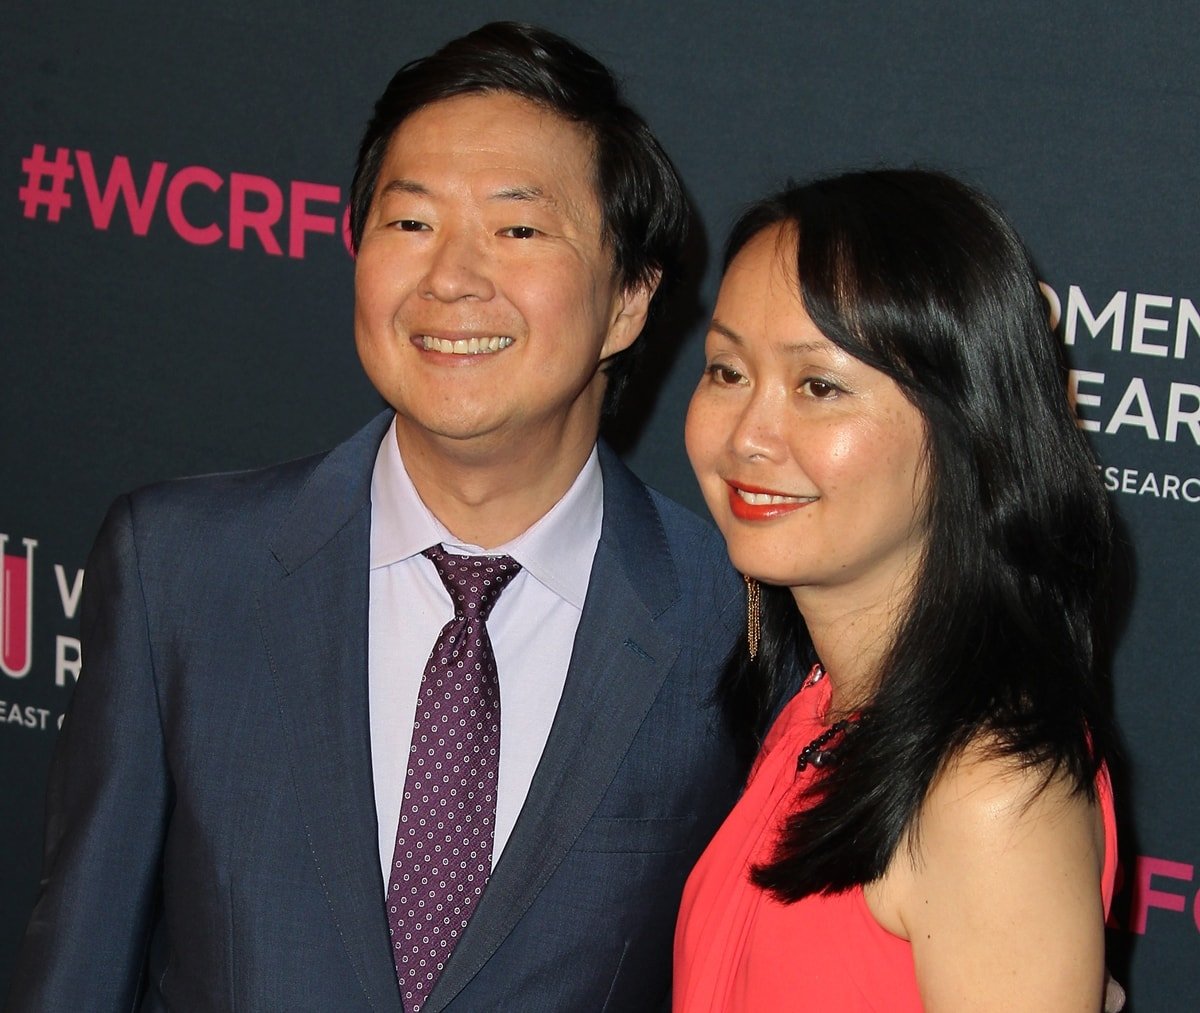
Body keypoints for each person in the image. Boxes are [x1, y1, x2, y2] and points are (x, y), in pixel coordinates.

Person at [7, 22, 745, 1012]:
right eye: (410, 223)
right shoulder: (181, 570)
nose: (451, 277)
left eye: (517, 229)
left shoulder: (730, 619)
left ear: (628, 301)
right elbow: (78, 970)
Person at [674, 169, 1120, 1011]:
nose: (748, 436)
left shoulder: (988, 793)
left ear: (966, 426)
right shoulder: (821, 703)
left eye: (819, 386)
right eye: (728, 371)